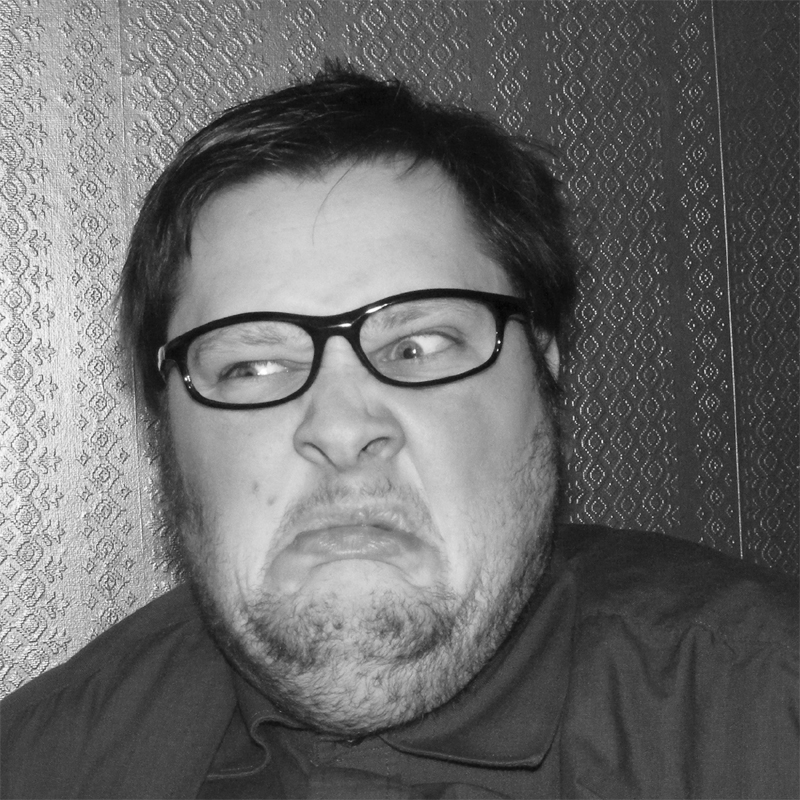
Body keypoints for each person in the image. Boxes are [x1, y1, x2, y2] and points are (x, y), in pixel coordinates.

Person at [1, 65, 797, 800]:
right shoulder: (42, 766)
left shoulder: (765, 710)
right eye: (252, 365)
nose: (342, 428)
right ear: (165, 422)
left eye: (417, 346)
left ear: (543, 368)